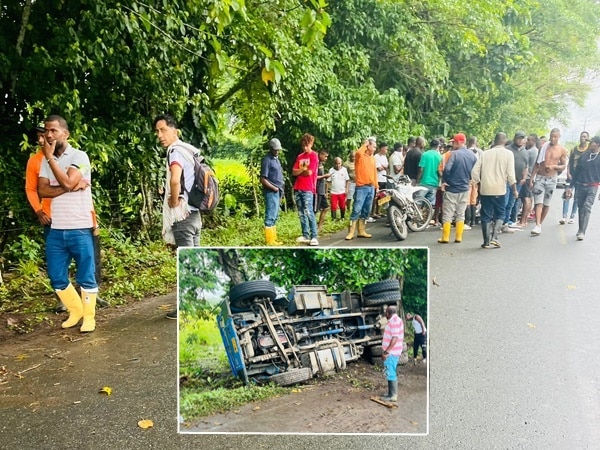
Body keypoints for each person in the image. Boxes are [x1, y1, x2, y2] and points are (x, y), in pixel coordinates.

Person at [38, 115, 98, 332]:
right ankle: (76, 311)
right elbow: (42, 190)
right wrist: (69, 186)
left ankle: (89, 317)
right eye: (46, 131)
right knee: (56, 275)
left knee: (86, 275)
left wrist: (53, 162)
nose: (49, 135)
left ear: (66, 133)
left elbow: (67, 180)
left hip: (79, 227)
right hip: (56, 228)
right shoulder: (47, 160)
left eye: (53, 130)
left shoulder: (80, 156)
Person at [154, 114, 202, 319]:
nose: (160, 135)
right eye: (157, 131)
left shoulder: (175, 151)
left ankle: (185, 308)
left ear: (175, 130)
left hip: (183, 216)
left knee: (185, 262)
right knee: (195, 261)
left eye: (163, 130)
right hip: (196, 213)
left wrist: (173, 201)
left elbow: (175, 180)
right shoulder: (189, 149)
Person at [26, 125, 63, 312]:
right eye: (39, 137)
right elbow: (31, 189)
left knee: (85, 258)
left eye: (45, 135)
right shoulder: (35, 161)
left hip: (73, 216)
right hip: (51, 219)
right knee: (56, 260)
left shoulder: (68, 157)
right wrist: (39, 211)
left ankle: (91, 297)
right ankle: (62, 299)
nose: (42, 140)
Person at [471, 132, 518, 249]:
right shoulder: (508, 154)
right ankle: (495, 238)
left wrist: (478, 182)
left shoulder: (485, 153)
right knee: (500, 213)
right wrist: (514, 190)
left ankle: (486, 242)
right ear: (505, 141)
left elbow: (474, 172)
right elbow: (511, 175)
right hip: (500, 190)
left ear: (494, 140)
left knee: (485, 214)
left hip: (485, 189)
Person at [438, 133, 477, 243]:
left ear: (459, 142)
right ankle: (458, 237)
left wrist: (445, 181)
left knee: (448, 213)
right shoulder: (472, 156)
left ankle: (445, 237)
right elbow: (475, 171)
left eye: (454, 142)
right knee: (461, 213)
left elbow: (447, 169)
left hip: (452, 188)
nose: (452, 144)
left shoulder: (454, 154)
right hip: (465, 188)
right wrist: (469, 179)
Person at [529, 128, 568, 236]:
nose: (553, 139)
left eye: (555, 137)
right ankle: (537, 224)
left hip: (552, 178)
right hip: (540, 177)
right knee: (538, 202)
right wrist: (532, 178)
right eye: (551, 136)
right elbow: (537, 163)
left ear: (559, 137)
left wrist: (554, 166)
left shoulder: (562, 150)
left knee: (546, 203)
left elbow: (563, 166)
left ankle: (539, 224)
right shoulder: (543, 147)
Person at [565, 135, 600, 240]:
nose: (590, 144)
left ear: (598, 144)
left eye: (592, 142)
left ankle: (582, 232)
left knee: (587, 207)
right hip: (580, 185)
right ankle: (580, 229)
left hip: (592, 186)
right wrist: (570, 186)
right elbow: (577, 172)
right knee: (580, 207)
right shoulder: (584, 156)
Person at [345, 137, 377, 240]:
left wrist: (376, 187)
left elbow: (374, 173)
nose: (375, 148)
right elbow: (358, 153)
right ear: (368, 146)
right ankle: (351, 232)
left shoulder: (372, 158)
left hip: (371, 187)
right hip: (361, 187)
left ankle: (361, 230)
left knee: (366, 210)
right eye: (374, 146)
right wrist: (365, 144)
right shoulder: (360, 156)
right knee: (356, 209)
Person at [292, 133, 319, 245]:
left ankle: (314, 236)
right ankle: (305, 235)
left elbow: (309, 172)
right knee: (301, 213)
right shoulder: (300, 156)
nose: (305, 147)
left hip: (308, 188)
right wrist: (302, 170)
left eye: (307, 145)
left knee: (309, 212)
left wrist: (301, 170)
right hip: (298, 187)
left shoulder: (314, 156)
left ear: (311, 144)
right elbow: (294, 172)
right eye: (303, 145)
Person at [260, 138, 285, 245]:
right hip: (271, 191)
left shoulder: (276, 159)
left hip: (278, 191)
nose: (277, 151)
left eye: (278, 150)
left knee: (275, 215)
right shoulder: (267, 160)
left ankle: (274, 238)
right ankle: (270, 241)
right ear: (270, 148)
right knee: (270, 216)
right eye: (275, 150)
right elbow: (263, 179)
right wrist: (274, 188)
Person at [561, 131, 589, 224]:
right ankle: (564, 216)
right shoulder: (574, 149)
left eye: (585, 137)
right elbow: (570, 162)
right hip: (572, 175)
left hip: (581, 177)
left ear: (587, 138)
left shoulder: (588, 150)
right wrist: (568, 172)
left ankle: (572, 216)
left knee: (577, 197)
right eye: (581, 136)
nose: (582, 138)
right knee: (567, 195)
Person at [503, 131, 529, 231]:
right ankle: (500, 222)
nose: (520, 140)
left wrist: (524, 178)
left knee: (511, 203)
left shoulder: (525, 152)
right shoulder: (508, 149)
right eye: (518, 138)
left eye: (522, 138)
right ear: (514, 138)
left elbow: (526, 166)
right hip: (507, 180)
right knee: (504, 202)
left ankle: (506, 222)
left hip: (518, 182)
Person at [380, 305, 404, 402]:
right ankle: (390, 393)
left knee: (391, 372)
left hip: (392, 352)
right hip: (393, 351)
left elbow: (394, 338)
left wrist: (386, 352)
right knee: (389, 371)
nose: (385, 314)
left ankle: (393, 395)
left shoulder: (394, 322)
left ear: (388, 313)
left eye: (386, 312)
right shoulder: (396, 320)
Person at [516, 134, 539, 228]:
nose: (526, 141)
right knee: (528, 198)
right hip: (531, 178)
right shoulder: (535, 151)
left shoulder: (530, 151)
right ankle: (524, 220)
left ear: (533, 141)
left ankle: (523, 221)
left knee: (526, 198)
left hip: (528, 177)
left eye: (529, 140)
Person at [416, 138, 442, 206]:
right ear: (438, 146)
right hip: (434, 184)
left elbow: (421, 169)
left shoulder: (425, 154)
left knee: (418, 202)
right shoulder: (440, 157)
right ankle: (427, 216)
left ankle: (418, 216)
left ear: (430, 145)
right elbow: (440, 172)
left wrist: (417, 181)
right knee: (429, 205)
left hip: (424, 182)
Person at [465, 136, 483, 227]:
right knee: (473, 200)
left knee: (467, 200)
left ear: (468, 142)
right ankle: (473, 220)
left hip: (467, 179)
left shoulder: (466, 152)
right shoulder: (480, 152)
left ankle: (467, 221)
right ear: (476, 142)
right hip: (476, 179)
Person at [372, 142, 389, 218]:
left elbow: (386, 166)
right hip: (378, 179)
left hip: (383, 179)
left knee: (382, 196)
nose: (386, 150)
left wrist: (383, 167)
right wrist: (383, 167)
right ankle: (373, 212)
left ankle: (378, 211)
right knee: (375, 196)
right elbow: (378, 168)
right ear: (381, 148)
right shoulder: (376, 157)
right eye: (385, 149)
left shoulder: (384, 157)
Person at [315, 149, 330, 232]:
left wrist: (324, 191)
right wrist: (324, 176)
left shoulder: (321, 164)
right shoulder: (316, 163)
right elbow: (314, 177)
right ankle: (313, 227)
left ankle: (319, 227)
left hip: (321, 190)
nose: (326, 158)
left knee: (326, 208)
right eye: (325, 156)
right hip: (317, 190)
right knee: (315, 210)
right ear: (320, 154)